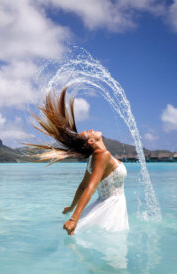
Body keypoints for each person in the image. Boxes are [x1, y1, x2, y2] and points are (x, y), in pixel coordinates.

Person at [28, 86, 129, 236]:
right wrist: (74, 219)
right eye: (89, 132)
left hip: (105, 207)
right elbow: (90, 187)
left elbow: (83, 186)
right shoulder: (102, 155)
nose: (92, 129)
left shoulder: (93, 159)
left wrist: (71, 207)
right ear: (91, 142)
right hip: (111, 208)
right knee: (115, 254)